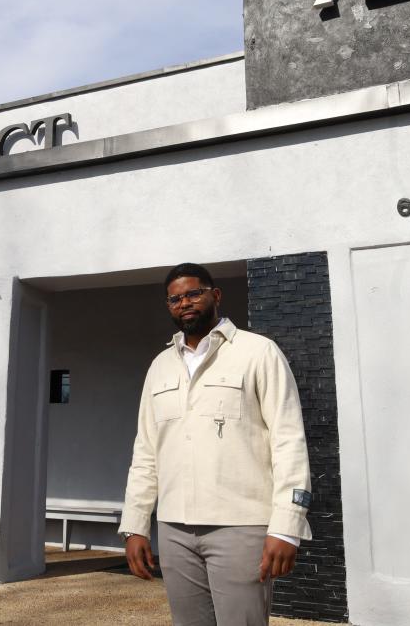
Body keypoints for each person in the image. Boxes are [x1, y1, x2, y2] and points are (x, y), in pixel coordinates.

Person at [119, 262, 312, 626]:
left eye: (194, 293)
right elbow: (146, 451)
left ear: (215, 295)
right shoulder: (160, 367)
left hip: (242, 525)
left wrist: (287, 525)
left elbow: (288, 441)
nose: (185, 303)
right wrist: (136, 525)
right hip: (174, 528)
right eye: (175, 298)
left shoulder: (258, 352)